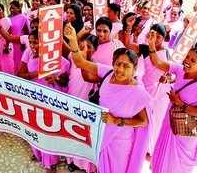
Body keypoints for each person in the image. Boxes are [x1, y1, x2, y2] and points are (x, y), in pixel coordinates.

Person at [64, 23, 151, 173]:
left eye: (126, 66)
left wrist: (117, 121)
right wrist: (73, 40)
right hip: (100, 133)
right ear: (113, 64)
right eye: (118, 64)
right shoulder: (108, 72)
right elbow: (80, 62)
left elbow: (143, 121)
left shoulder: (138, 91)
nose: (120, 69)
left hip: (120, 141)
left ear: (134, 69)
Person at [148, 31, 197, 173]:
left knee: (178, 166)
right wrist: (152, 44)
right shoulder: (179, 70)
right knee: (164, 160)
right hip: (170, 123)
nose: (187, 61)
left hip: (186, 132)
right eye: (187, 57)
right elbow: (157, 62)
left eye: (192, 60)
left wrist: (179, 104)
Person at [17, 29, 70, 173]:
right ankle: (40, 154)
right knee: (37, 129)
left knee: (50, 131)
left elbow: (66, 80)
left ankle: (51, 162)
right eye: (31, 42)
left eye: (36, 42)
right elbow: (19, 74)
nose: (33, 45)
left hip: (52, 102)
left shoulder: (57, 58)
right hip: (34, 100)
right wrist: (37, 72)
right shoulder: (29, 55)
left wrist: (56, 78)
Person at [122, 24, 171, 154]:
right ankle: (139, 145)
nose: (155, 39)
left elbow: (167, 69)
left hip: (159, 92)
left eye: (159, 37)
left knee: (155, 119)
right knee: (141, 116)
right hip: (144, 88)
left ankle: (151, 147)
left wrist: (167, 77)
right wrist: (129, 28)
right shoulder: (144, 48)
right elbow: (127, 45)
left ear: (163, 38)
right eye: (153, 35)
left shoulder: (165, 52)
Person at [66, 34, 99, 173]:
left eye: (89, 47)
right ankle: (72, 161)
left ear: (95, 50)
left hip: (86, 107)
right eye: (81, 46)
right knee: (71, 133)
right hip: (71, 103)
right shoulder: (74, 59)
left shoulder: (97, 66)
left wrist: (85, 60)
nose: (84, 49)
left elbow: (89, 78)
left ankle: (86, 166)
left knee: (85, 137)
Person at [9, 0, 30, 74]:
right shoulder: (9, 18)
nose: (11, 10)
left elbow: (27, 32)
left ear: (18, 8)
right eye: (10, 8)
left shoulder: (23, 18)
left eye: (13, 8)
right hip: (12, 44)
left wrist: (24, 43)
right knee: (13, 61)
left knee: (21, 61)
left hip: (21, 44)